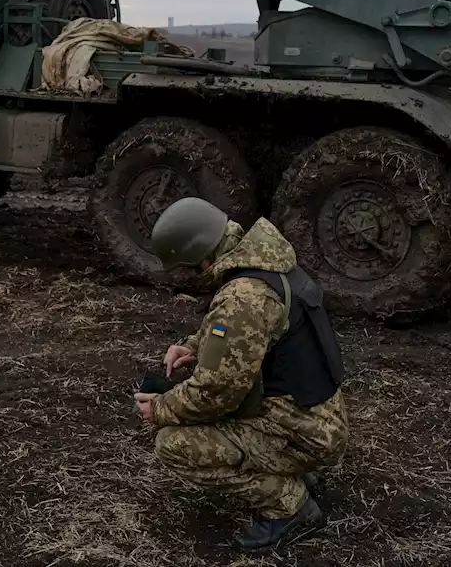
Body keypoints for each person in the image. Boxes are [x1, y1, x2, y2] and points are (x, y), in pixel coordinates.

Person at [132, 196, 348, 551]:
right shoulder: (269, 261)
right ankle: (290, 465)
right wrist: (196, 344)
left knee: (174, 445)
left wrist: (160, 409)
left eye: (189, 266)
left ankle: (287, 502)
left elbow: (216, 391)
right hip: (317, 417)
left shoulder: (243, 297)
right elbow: (251, 334)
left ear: (201, 256)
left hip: (301, 431)